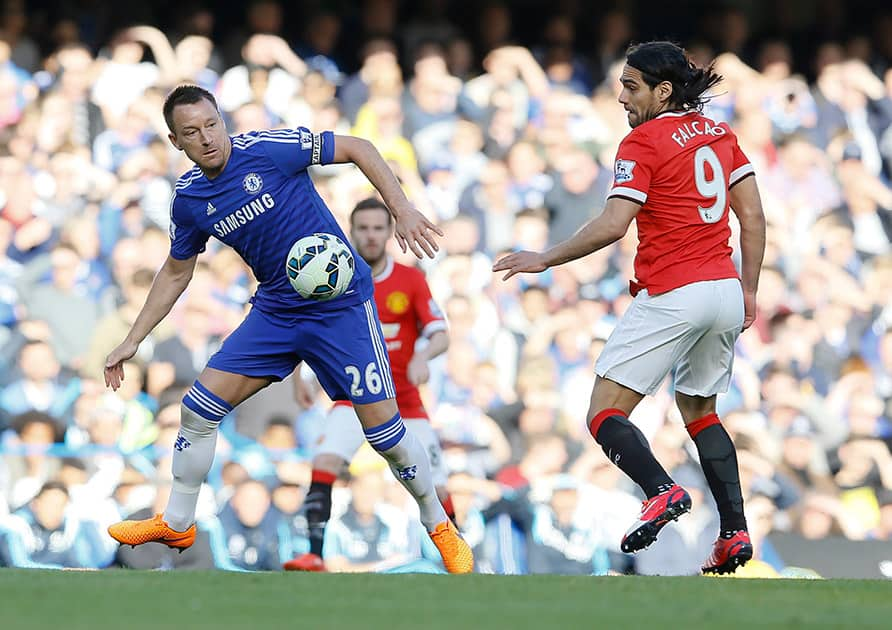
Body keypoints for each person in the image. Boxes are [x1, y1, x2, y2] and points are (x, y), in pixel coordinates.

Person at [104, 84, 473, 574]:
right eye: (192, 132)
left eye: (212, 124)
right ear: (176, 142)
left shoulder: (270, 149)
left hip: (340, 308)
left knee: (384, 433)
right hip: (276, 311)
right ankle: (177, 522)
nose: (207, 138)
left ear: (222, 119)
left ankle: (439, 524)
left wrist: (403, 209)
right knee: (196, 409)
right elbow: (176, 270)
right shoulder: (190, 200)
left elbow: (358, 147)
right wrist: (134, 338)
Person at [493, 41, 766, 575]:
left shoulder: (642, 142)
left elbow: (614, 223)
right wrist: (749, 290)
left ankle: (661, 491)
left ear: (664, 91)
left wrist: (546, 256)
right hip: (725, 290)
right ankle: (733, 532)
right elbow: (753, 218)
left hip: (674, 292)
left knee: (604, 413)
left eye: (630, 85)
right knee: (702, 414)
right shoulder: (721, 134)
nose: (620, 96)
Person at [284, 197, 451, 571]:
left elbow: (441, 333)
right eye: (363, 229)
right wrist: (300, 376)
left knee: (436, 485)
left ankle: (454, 558)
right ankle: (314, 553)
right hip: (353, 397)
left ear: (390, 232)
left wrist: (423, 355)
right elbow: (305, 332)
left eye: (378, 228)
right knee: (324, 462)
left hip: (405, 402)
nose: (371, 236)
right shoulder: (330, 278)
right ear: (352, 232)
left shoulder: (410, 280)